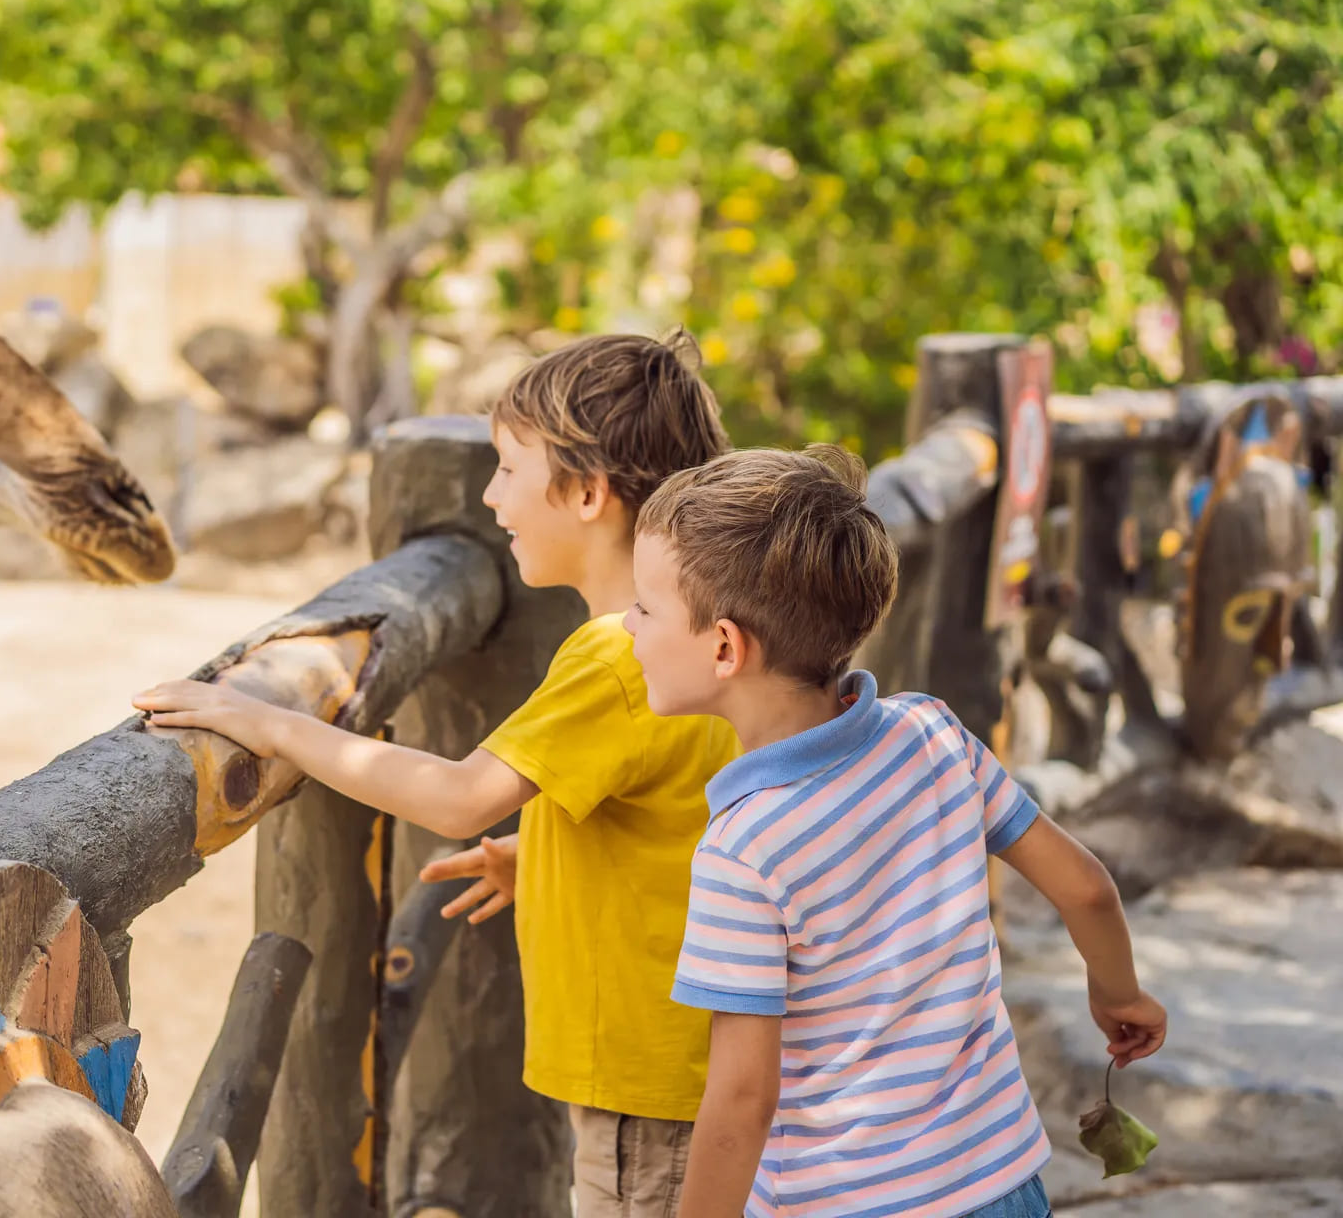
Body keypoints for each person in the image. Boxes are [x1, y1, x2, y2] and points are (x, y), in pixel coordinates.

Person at [135, 331, 740, 1215]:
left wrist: (271, 721)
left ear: (586, 494)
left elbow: (459, 797)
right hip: (689, 1061)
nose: (491, 498)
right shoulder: (697, 632)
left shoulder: (616, 655)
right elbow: (683, 808)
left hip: (644, 1091)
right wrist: (549, 858)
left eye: (504, 470)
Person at [624, 446, 1168, 1218]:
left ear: (723, 647)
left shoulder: (743, 851)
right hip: (1002, 1182)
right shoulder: (933, 733)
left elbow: (742, 1098)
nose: (627, 623)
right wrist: (1120, 993)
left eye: (644, 607)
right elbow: (1086, 888)